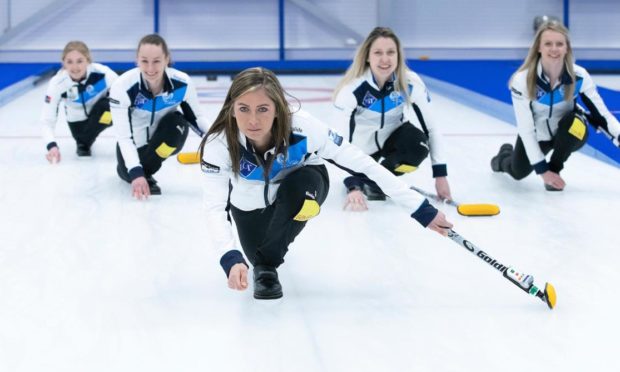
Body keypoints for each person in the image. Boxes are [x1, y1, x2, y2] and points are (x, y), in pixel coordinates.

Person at [199, 67, 453, 300]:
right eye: (244, 109)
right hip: (249, 203)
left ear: (278, 108)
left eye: (263, 109)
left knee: (282, 227)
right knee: (254, 252)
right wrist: (229, 256)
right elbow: (215, 207)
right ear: (231, 109)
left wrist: (421, 209)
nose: (253, 120)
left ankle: (266, 268)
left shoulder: (304, 128)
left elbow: (364, 164)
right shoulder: (218, 144)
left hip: (304, 184)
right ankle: (264, 257)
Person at [491, 21, 620, 191]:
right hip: (538, 135)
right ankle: (503, 156)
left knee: (574, 123)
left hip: (568, 132)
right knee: (517, 172)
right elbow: (526, 129)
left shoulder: (579, 76)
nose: (554, 49)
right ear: (539, 47)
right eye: (548, 44)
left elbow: (603, 116)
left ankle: (555, 169)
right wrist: (541, 170)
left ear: (567, 48)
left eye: (559, 44)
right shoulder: (522, 80)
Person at [333, 27, 451, 212]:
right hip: (362, 150)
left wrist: (440, 175)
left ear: (398, 56)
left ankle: (376, 181)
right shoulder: (352, 89)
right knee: (358, 165)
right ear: (367, 56)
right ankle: (367, 177)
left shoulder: (410, 83)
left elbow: (431, 129)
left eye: (390, 52)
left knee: (418, 146)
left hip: (393, 137)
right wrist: (353, 185)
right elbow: (340, 143)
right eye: (378, 53)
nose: (385, 59)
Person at [110, 34, 210, 199]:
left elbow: (197, 119)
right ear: (137, 60)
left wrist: (219, 142)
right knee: (128, 174)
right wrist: (135, 172)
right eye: (144, 61)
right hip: (133, 145)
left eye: (156, 61)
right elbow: (124, 137)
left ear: (166, 59)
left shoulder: (182, 83)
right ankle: (138, 172)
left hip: (162, 140)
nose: (150, 68)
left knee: (178, 124)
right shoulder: (122, 87)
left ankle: (147, 172)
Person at [42, 41, 118, 163]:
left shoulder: (102, 73)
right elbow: (47, 119)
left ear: (88, 61)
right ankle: (84, 142)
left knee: (109, 105)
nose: (75, 67)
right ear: (63, 63)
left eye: (80, 61)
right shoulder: (57, 83)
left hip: (103, 115)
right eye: (69, 62)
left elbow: (126, 94)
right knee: (83, 140)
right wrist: (51, 146)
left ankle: (87, 140)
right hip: (78, 124)